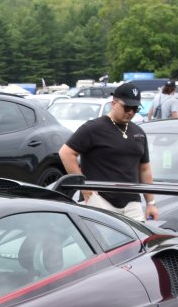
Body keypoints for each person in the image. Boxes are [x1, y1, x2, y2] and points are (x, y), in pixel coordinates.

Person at [57, 82, 158, 222]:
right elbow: (66, 153)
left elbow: (144, 168)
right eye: (127, 107)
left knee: (139, 236)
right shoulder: (93, 128)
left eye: (135, 108)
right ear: (114, 104)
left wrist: (151, 203)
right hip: (99, 200)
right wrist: (83, 186)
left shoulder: (139, 132)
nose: (130, 112)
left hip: (132, 202)